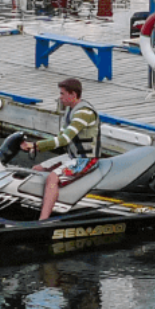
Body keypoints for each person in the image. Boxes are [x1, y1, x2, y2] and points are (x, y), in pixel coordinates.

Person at [20, 78, 101, 220]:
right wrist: (35, 146)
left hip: (85, 159)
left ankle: (43, 220)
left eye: (62, 94)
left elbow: (64, 140)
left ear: (73, 95)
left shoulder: (84, 113)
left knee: (52, 178)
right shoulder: (70, 110)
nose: (60, 97)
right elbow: (60, 137)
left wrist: (36, 146)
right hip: (72, 156)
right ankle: (30, 207)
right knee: (37, 169)